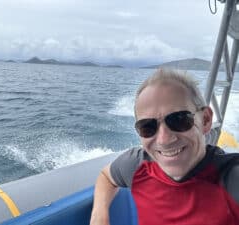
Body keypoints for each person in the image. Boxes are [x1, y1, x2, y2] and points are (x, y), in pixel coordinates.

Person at [90, 69, 239, 225]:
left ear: (206, 120)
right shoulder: (138, 165)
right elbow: (107, 177)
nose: (163, 139)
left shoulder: (231, 178)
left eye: (179, 120)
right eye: (147, 126)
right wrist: (99, 215)